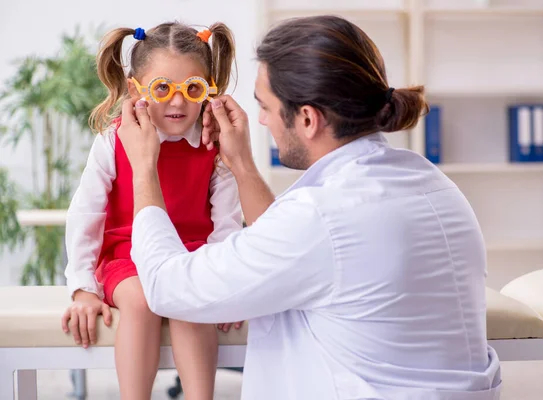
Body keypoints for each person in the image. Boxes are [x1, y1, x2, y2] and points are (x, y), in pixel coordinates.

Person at [119, 15, 502, 400]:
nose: (262, 121)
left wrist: (143, 169)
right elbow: (291, 248)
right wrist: (242, 165)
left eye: (264, 107)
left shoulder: (321, 216)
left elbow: (168, 287)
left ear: (306, 118)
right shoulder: (434, 184)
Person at [60, 21, 243, 400]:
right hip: (128, 256)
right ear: (135, 89)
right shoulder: (113, 139)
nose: (178, 102)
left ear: (208, 88)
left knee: (188, 296)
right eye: (163, 88)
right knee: (142, 301)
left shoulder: (215, 145)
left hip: (192, 256)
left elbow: (227, 225)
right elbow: (86, 214)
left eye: (192, 89)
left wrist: (226, 285)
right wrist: (83, 289)